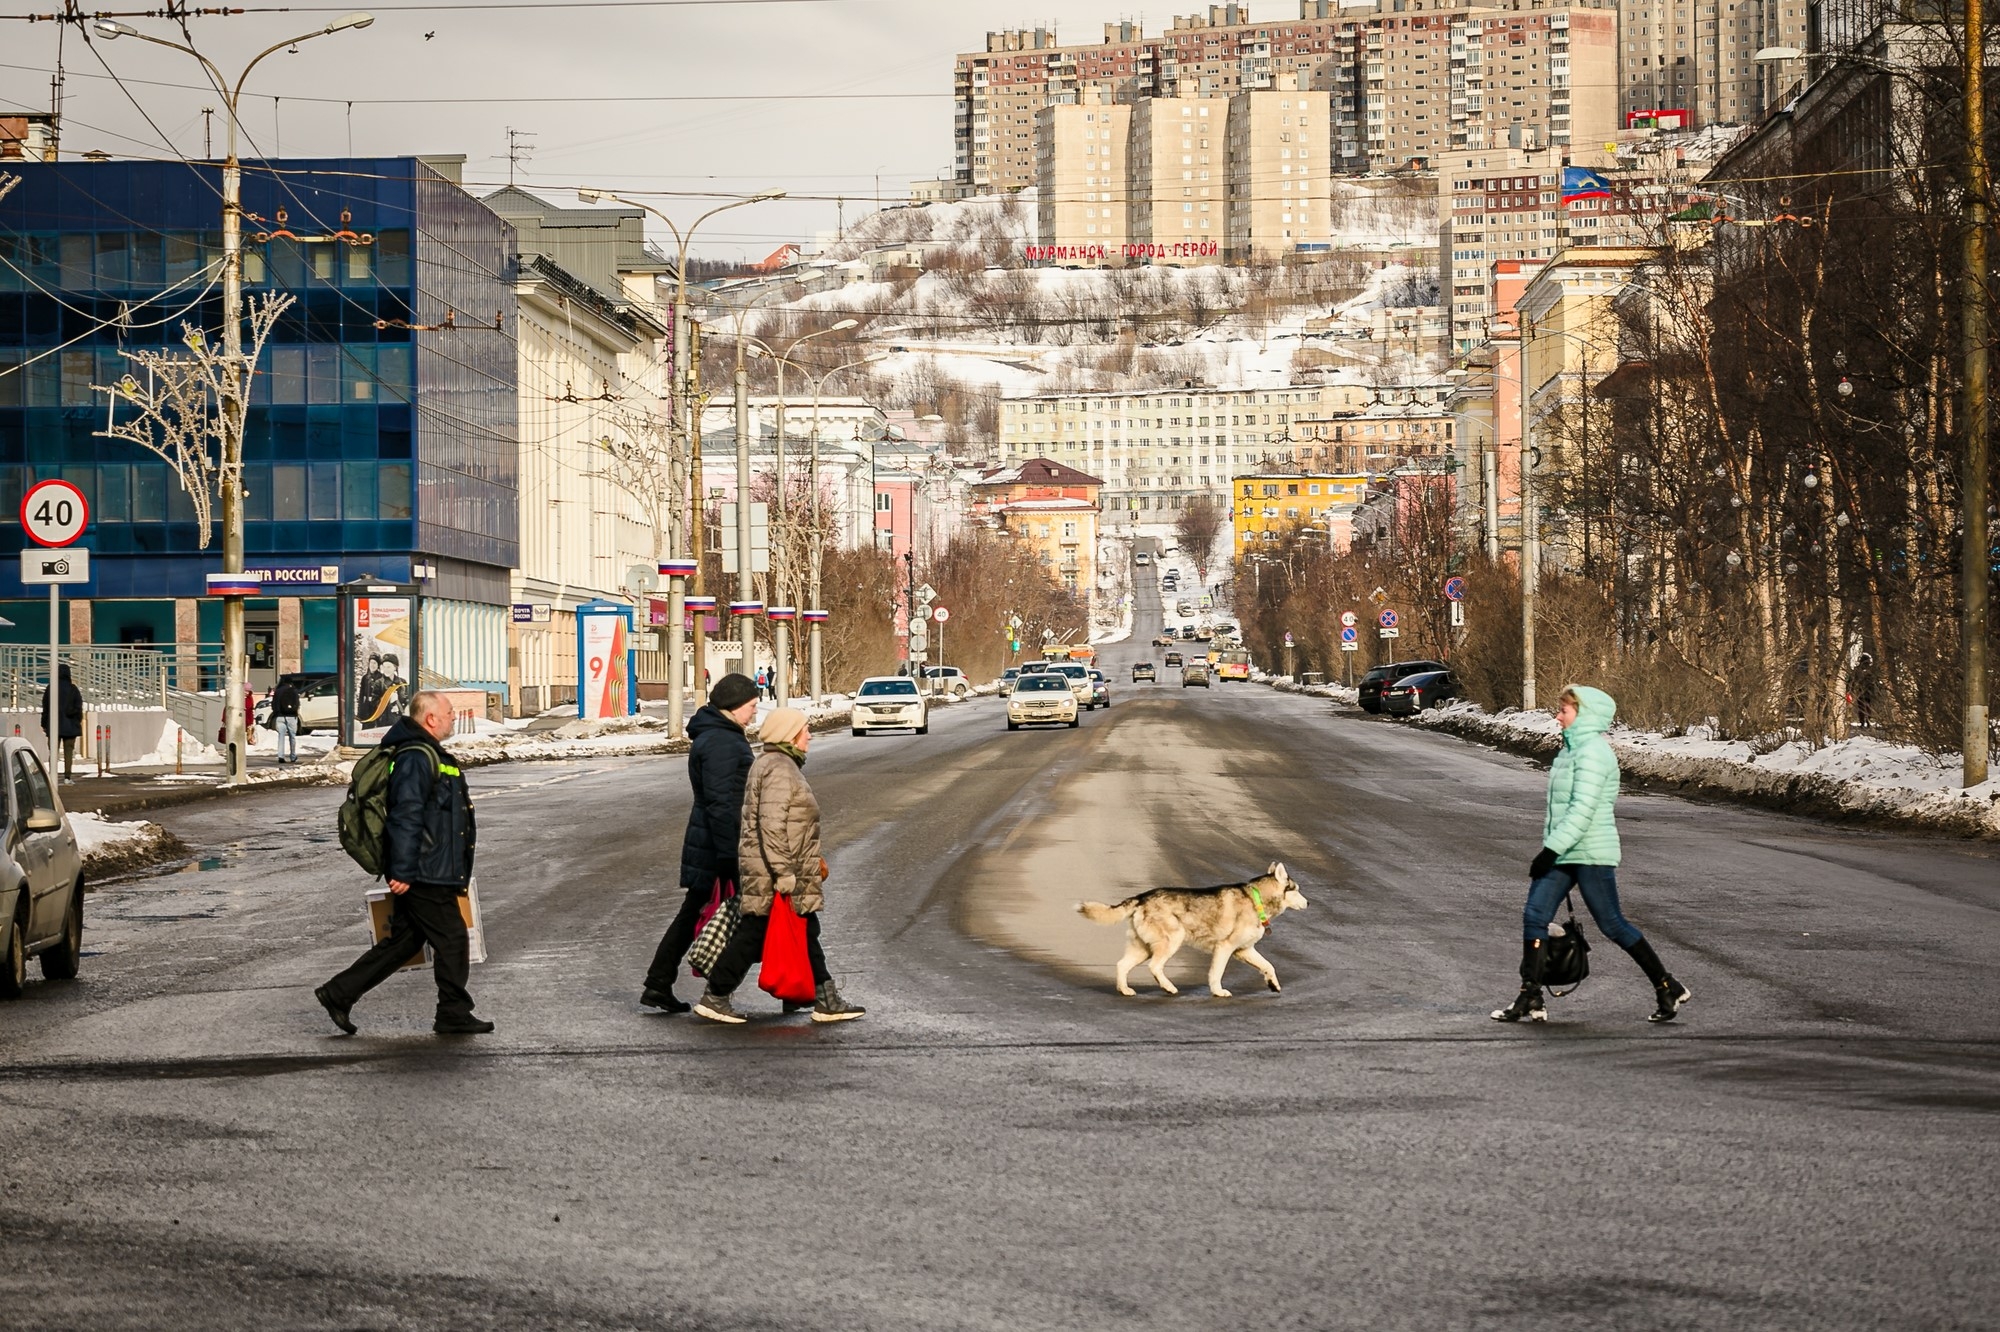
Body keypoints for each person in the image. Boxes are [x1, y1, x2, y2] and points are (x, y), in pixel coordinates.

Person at [1492, 684, 1692, 1025]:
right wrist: (1554, 848)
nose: (1557, 716)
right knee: (1534, 916)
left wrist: (1550, 849)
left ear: (1583, 716)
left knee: (1612, 924)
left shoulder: (1593, 753)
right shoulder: (1570, 751)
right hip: (1565, 850)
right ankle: (1531, 996)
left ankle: (1666, 984)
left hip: (1590, 852)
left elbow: (1582, 809)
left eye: (1564, 711)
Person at [315, 691, 492, 1036]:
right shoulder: (415, 756)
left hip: (429, 865)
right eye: (449, 713)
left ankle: (338, 993)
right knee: (453, 938)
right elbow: (405, 816)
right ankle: (453, 1012)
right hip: (425, 869)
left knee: (405, 942)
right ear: (430, 719)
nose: (453, 717)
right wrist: (403, 870)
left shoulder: (424, 752)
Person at [694, 707, 864, 1024]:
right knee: (753, 934)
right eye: (805, 730)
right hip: (776, 874)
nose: (809, 735)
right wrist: (784, 873)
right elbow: (772, 826)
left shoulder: (777, 765)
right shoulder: (779, 769)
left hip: (781, 871)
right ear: (790, 735)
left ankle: (825, 999)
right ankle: (715, 996)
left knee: (803, 932)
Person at [638, 672, 760, 1014]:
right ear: (734, 707)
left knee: (693, 912)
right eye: (752, 706)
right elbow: (722, 802)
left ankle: (658, 983)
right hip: (717, 843)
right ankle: (715, 991)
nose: (754, 713)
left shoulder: (720, 734)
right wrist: (728, 855)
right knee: (745, 916)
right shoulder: (722, 741)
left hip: (712, 840)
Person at [40, 663, 83, 780]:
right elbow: (79, 707)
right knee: (69, 752)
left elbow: (45, 707)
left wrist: (44, 724)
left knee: (53, 751)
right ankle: (67, 777)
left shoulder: (51, 688)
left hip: (53, 725)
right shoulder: (73, 689)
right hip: (70, 725)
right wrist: (77, 721)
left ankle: (52, 775)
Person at [270, 677, 302, 764]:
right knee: (292, 736)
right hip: (291, 716)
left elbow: (274, 704)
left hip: (280, 717)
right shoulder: (294, 691)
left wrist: (276, 713)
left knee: (281, 736)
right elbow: (297, 703)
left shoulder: (278, 691)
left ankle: (281, 756)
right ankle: (293, 755)